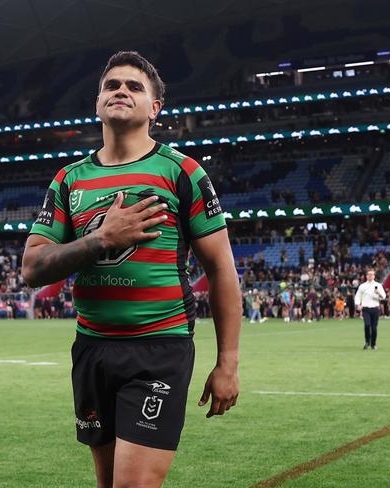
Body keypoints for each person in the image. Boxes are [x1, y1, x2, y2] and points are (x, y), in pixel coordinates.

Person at [21, 51, 241, 488]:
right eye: (111, 86)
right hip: (92, 349)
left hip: (158, 349)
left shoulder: (182, 172)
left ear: (155, 109)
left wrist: (228, 363)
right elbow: (32, 267)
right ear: (97, 103)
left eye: (135, 87)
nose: (121, 91)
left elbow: (221, 269)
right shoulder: (68, 180)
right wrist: (101, 239)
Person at [354, 268, 386, 350]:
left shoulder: (378, 285)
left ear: (374, 276)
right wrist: (358, 304)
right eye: (369, 274)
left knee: (374, 327)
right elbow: (357, 296)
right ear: (366, 276)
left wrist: (377, 292)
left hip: (375, 308)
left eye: (372, 274)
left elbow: (384, 296)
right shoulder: (362, 286)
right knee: (367, 325)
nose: (370, 276)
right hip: (366, 308)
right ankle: (367, 342)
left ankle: (373, 343)